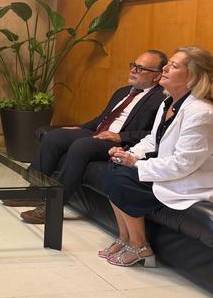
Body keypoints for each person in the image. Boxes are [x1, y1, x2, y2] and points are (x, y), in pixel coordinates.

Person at [11, 50, 168, 224]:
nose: (133, 70)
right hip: (98, 134)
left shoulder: (161, 98)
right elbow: (102, 118)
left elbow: (154, 134)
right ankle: (33, 192)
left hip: (120, 142)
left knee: (82, 146)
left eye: (140, 68)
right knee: (54, 137)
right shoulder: (123, 91)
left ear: (156, 76)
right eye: (133, 65)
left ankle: (52, 208)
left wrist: (119, 136)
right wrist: (80, 128)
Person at [99, 46, 213, 267]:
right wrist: (127, 154)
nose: (165, 68)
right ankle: (125, 238)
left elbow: (183, 164)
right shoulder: (168, 102)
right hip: (169, 171)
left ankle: (140, 246)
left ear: (192, 77)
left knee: (121, 178)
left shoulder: (202, 112)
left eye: (174, 66)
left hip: (187, 181)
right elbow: (153, 141)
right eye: (167, 64)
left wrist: (136, 164)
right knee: (113, 168)